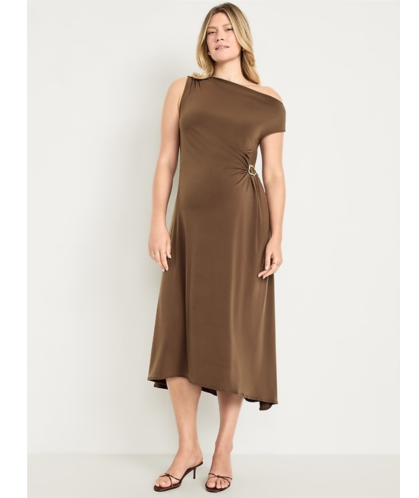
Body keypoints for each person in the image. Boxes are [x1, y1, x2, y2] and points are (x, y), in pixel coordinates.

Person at [147, 2, 286, 493]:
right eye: (211, 31)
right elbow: (167, 160)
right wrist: (158, 222)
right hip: (189, 225)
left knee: (232, 333)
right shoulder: (184, 89)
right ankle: (189, 448)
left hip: (243, 226)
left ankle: (223, 448)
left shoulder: (269, 100)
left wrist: (276, 235)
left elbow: (274, 174)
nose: (219, 37)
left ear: (242, 37)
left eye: (227, 29)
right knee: (178, 330)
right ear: (204, 41)